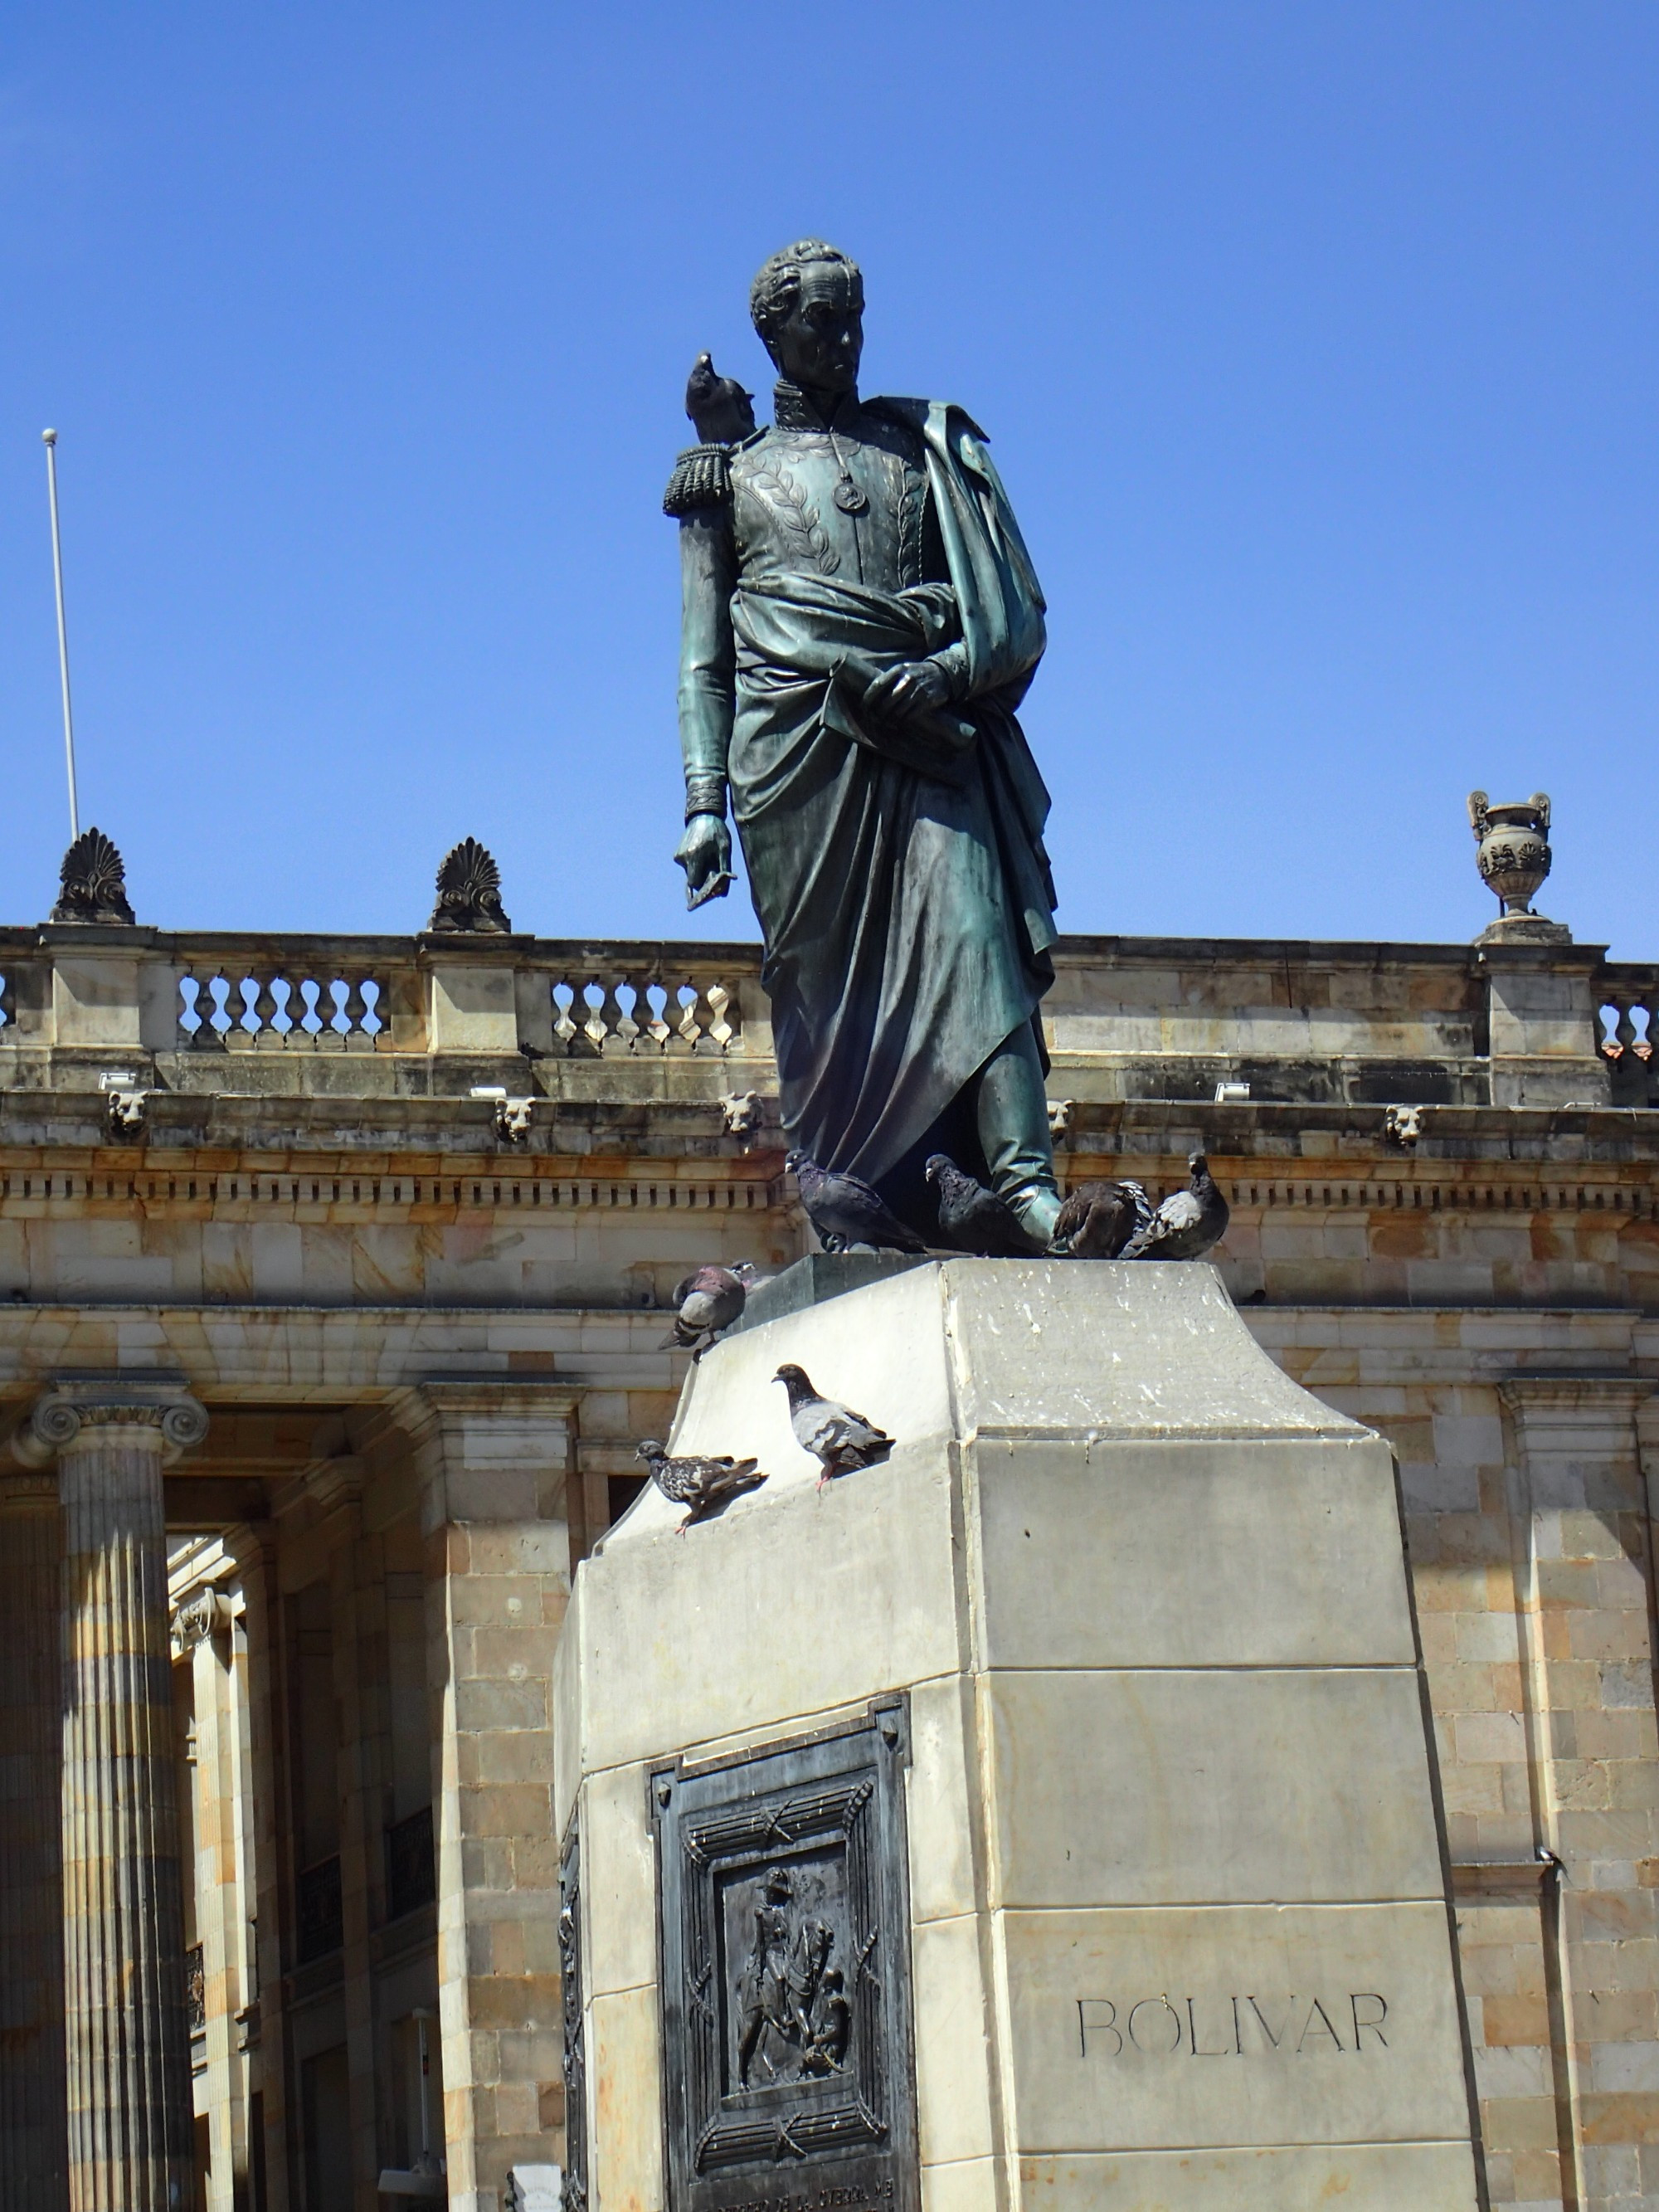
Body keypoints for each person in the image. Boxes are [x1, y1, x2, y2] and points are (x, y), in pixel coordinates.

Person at [666, 240, 1063, 1244]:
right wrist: (702, 801)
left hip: (925, 735)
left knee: (980, 939)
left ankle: (1023, 1186)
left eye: (852, 322)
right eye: (818, 325)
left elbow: (1000, 604)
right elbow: (702, 654)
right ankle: (868, 1194)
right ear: (772, 336)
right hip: (794, 762)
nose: (840, 342)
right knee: (823, 991)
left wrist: (939, 660)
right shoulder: (726, 479)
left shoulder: (921, 449)